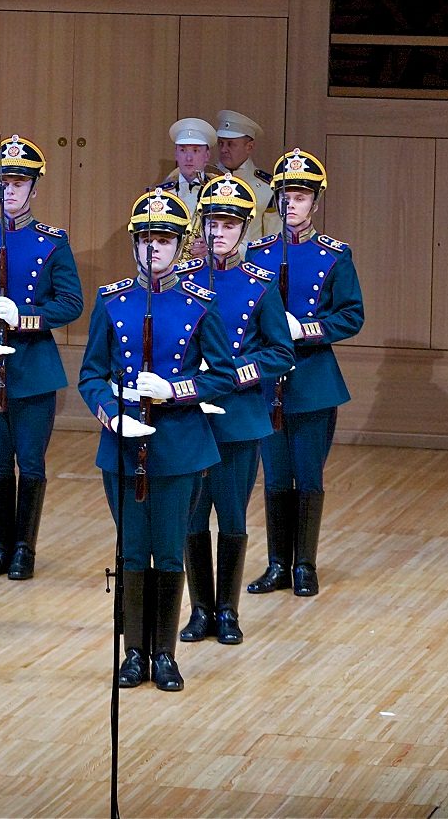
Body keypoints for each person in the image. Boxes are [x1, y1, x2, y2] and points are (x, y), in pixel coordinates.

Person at [78, 189, 237, 692]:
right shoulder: (111, 301)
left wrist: (176, 389)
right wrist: (112, 417)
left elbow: (224, 376)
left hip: (179, 444)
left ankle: (164, 653)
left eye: (164, 240)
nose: (154, 249)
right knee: (130, 552)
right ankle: (133, 653)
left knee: (168, 552)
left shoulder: (199, 304)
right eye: (146, 239)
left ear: (181, 245)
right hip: (123, 444)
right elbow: (91, 377)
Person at [176, 175, 295, 645]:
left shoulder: (258, 287)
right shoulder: (182, 282)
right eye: (212, 223)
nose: (219, 233)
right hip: (189, 415)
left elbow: (280, 352)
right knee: (190, 516)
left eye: (229, 225)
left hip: (239, 416)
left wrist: (232, 369)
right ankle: (200, 610)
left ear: (245, 230)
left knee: (231, 515)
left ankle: (228, 611)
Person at [0, 136, 83, 581]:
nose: (10, 191)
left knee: (30, 462)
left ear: (34, 188)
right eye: (4, 182)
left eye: (19, 182)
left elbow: (72, 303)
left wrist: (27, 316)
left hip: (32, 369)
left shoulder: (52, 242)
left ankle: (24, 550)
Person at [246, 148, 364, 598]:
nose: (292, 204)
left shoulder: (334, 255)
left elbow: (351, 316)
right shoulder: (256, 254)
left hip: (312, 379)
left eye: (302, 196)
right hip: (267, 382)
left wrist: (308, 328)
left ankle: (304, 565)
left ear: (316, 202)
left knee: (308, 475)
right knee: (275, 476)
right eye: (286, 196)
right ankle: (278, 563)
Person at [159, 117, 221, 260]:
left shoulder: (220, 192)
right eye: (183, 150)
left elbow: (243, 242)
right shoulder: (161, 195)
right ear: (176, 154)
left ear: (207, 155)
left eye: (195, 150)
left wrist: (215, 249)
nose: (188, 158)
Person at [214, 109, 278, 240]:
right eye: (221, 143)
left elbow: (273, 238)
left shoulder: (268, 188)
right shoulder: (205, 180)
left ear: (249, 147)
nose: (224, 149)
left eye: (231, 144)